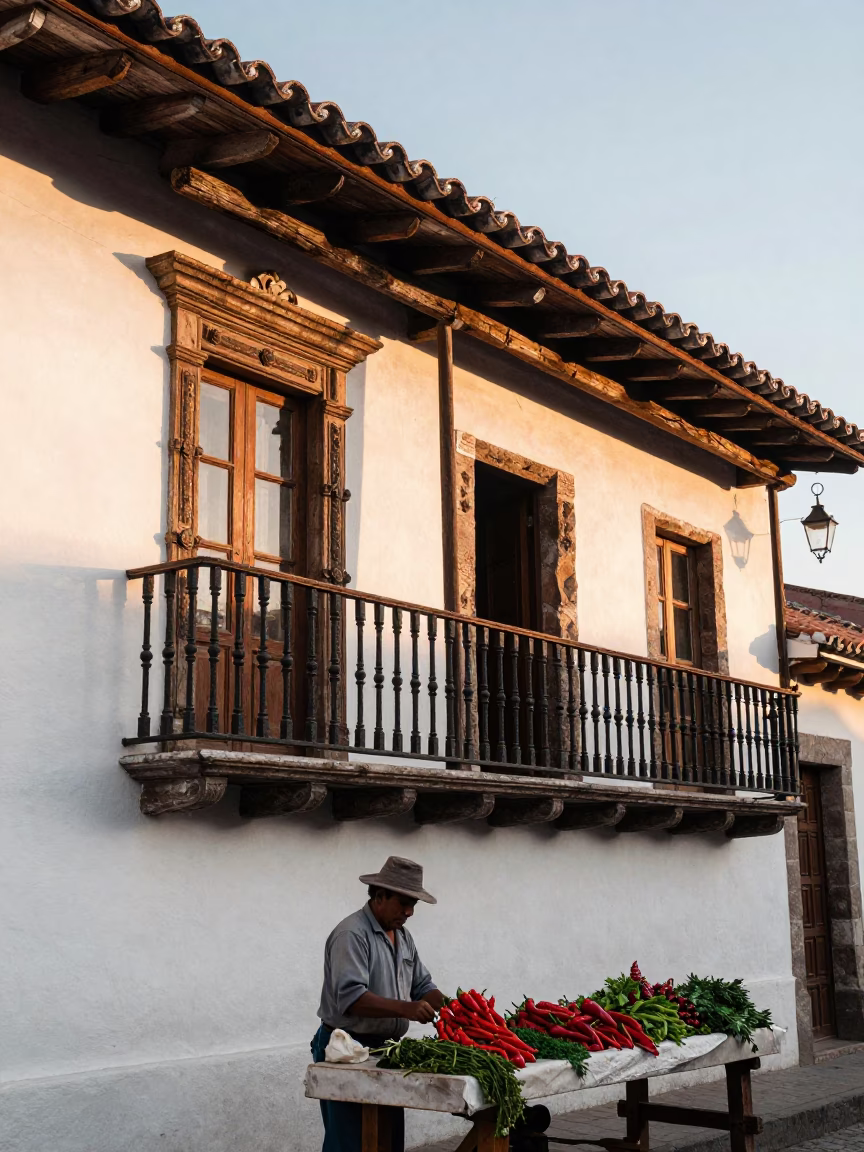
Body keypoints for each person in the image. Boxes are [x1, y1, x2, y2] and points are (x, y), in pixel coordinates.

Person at [312, 856, 445, 1152]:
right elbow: (351, 998)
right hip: (346, 1049)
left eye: (413, 906)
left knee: (386, 1139)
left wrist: (454, 1007)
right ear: (380, 896)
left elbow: (423, 986)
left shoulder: (403, 936)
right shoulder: (352, 934)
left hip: (386, 1050)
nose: (409, 912)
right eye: (404, 903)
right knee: (350, 1142)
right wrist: (405, 1008)